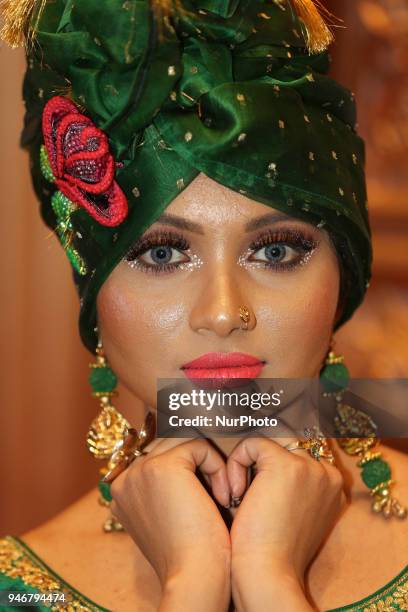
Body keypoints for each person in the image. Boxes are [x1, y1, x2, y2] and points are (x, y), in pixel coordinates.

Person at [1, 0, 407, 610]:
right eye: (163, 255)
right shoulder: (22, 592)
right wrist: (192, 582)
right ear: (95, 294)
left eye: (275, 251)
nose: (222, 312)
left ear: (342, 278)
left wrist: (270, 581)